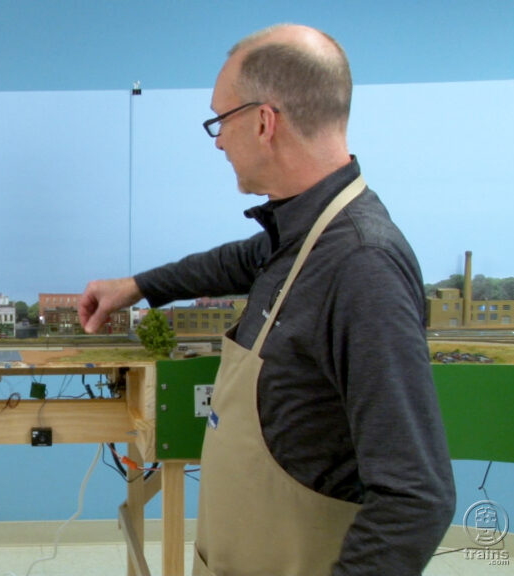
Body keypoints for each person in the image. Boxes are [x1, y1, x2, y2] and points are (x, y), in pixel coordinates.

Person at [79, 24, 455, 576]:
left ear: (262, 121)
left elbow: (417, 499)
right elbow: (237, 261)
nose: (218, 141)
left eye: (220, 121)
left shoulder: (361, 266)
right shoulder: (302, 236)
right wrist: (137, 287)